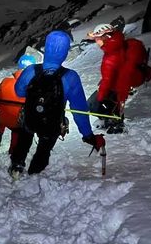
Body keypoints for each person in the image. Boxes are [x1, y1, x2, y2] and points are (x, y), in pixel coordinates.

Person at [9, 30, 105, 178]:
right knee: (44, 149)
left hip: (30, 118)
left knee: (24, 138)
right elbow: (79, 111)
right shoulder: (70, 77)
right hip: (52, 124)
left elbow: (19, 92)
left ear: (46, 48)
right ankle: (34, 174)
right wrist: (88, 135)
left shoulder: (30, 70)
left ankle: (17, 165)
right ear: (65, 53)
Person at [87, 23, 151, 134]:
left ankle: (114, 121)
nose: (96, 42)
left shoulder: (111, 55)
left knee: (94, 103)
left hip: (126, 81)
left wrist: (101, 96)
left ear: (106, 37)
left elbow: (113, 79)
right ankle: (113, 116)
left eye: (97, 38)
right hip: (135, 77)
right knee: (108, 94)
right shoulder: (122, 43)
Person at [0, 54, 36, 154]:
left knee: (0, 119)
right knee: (19, 130)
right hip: (19, 122)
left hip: (3, 117)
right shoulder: (34, 86)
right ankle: (13, 152)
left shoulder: (6, 81)